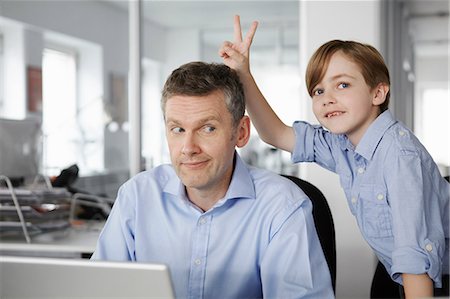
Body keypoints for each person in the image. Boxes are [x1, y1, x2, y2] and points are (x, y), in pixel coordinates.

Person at [219, 15, 449, 299]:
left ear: (378, 92)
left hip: (432, 277)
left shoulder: (400, 157)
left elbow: (415, 259)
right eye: (318, 90)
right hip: (398, 270)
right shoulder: (342, 145)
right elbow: (276, 134)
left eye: (342, 85)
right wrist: (243, 74)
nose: (327, 97)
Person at [91, 61, 334, 298]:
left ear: (241, 132)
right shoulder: (137, 196)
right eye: (177, 129)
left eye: (207, 128)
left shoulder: (282, 205)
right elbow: (97, 289)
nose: (188, 148)